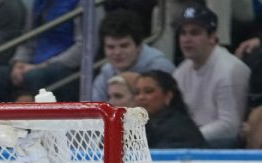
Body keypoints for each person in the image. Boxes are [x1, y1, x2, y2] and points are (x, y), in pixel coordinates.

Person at [0, 0, 85, 102]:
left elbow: (82, 47)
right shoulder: (39, 2)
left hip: (64, 67)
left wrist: (43, 66)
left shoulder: (82, 3)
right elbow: (28, 40)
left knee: (35, 77)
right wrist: (18, 63)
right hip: (32, 65)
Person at [172, 3, 251, 147]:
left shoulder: (230, 70)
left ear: (212, 37)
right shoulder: (181, 71)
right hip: (194, 139)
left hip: (225, 144)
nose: (186, 39)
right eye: (183, 33)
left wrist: (187, 137)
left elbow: (230, 127)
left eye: (195, 32)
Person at [91, 9, 174, 102]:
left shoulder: (160, 68)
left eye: (124, 45)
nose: (117, 52)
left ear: (139, 46)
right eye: (111, 47)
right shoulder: (107, 72)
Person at [135, 70, 207, 149]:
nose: (140, 97)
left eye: (148, 91)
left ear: (168, 96)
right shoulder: (143, 125)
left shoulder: (179, 128)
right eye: (137, 93)